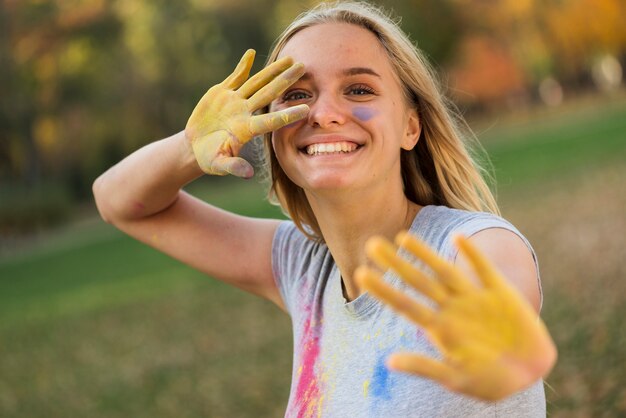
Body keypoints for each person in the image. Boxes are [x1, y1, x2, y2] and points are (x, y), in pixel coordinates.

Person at [93, 1, 556, 416]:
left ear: (409, 127)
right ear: (270, 132)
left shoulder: (471, 244)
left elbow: (503, 300)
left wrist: (501, 343)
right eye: (297, 94)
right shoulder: (303, 270)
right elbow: (119, 203)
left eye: (358, 90)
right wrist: (190, 147)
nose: (324, 113)